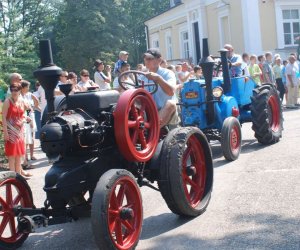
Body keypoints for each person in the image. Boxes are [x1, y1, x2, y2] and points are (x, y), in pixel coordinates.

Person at [2, 82, 32, 178]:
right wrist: (6, 132)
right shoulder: (8, 101)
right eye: (12, 90)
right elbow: (3, 117)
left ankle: (19, 178)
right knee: (12, 156)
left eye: (16, 90)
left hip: (19, 131)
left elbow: (29, 109)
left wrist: (26, 117)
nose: (14, 92)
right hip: (10, 131)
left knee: (19, 155)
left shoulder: (21, 100)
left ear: (20, 90)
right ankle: (12, 178)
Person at [142, 48, 178, 128]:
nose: (146, 61)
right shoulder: (142, 76)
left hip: (165, 111)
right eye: (145, 59)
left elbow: (171, 92)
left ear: (159, 60)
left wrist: (158, 79)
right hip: (148, 111)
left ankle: (152, 130)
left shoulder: (167, 73)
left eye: (150, 59)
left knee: (171, 103)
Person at [20, 80, 40, 167]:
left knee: (31, 135)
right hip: (26, 117)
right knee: (26, 137)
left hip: (30, 115)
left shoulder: (29, 94)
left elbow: (36, 102)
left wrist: (34, 107)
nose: (29, 88)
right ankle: (25, 156)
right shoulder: (20, 95)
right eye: (27, 87)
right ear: (23, 87)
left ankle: (31, 155)